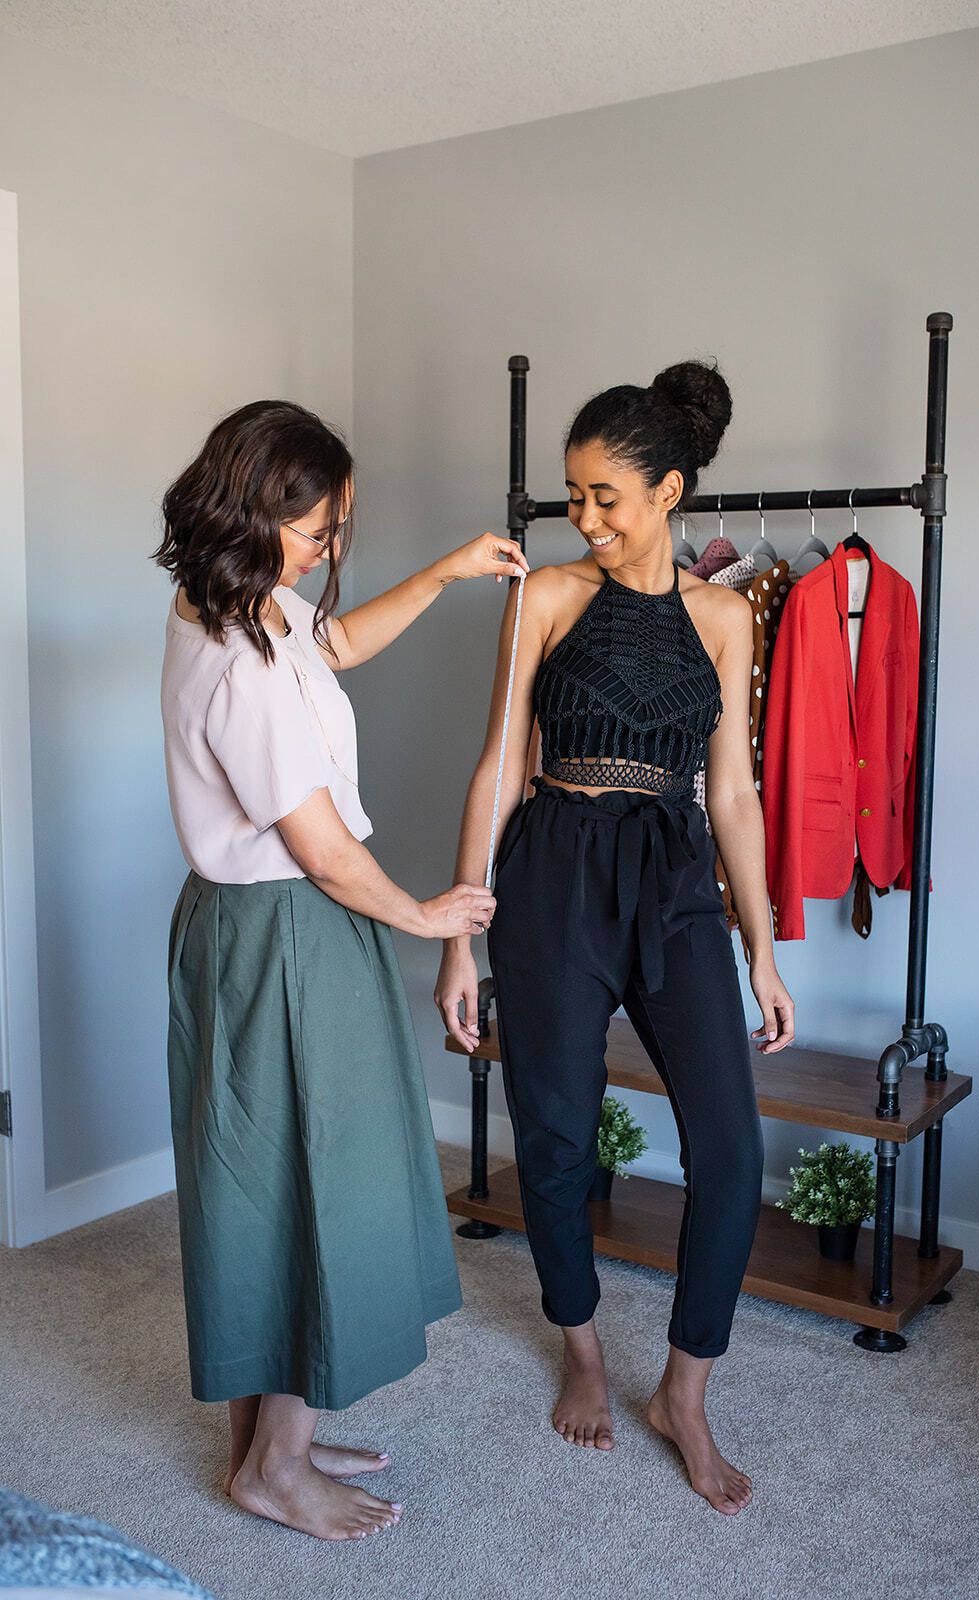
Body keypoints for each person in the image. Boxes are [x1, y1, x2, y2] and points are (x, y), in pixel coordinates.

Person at [156, 399, 528, 1542]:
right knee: (325, 1184)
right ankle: (276, 1465)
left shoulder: (231, 602)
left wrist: (447, 571)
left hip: (253, 926)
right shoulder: (241, 659)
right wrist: (425, 914)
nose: (327, 553)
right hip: (290, 930)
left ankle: (268, 1443)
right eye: (317, 533)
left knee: (267, 1182)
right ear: (254, 513)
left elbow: (340, 643)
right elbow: (320, 848)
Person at [436, 362, 794, 1516]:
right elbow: (500, 765)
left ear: (668, 491)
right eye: (574, 494)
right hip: (555, 868)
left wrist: (763, 948)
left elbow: (732, 794)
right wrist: (459, 930)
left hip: (675, 875)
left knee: (730, 1150)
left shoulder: (727, 617)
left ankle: (684, 1390)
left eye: (605, 496)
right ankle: (583, 1351)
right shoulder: (545, 596)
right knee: (554, 1134)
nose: (583, 516)